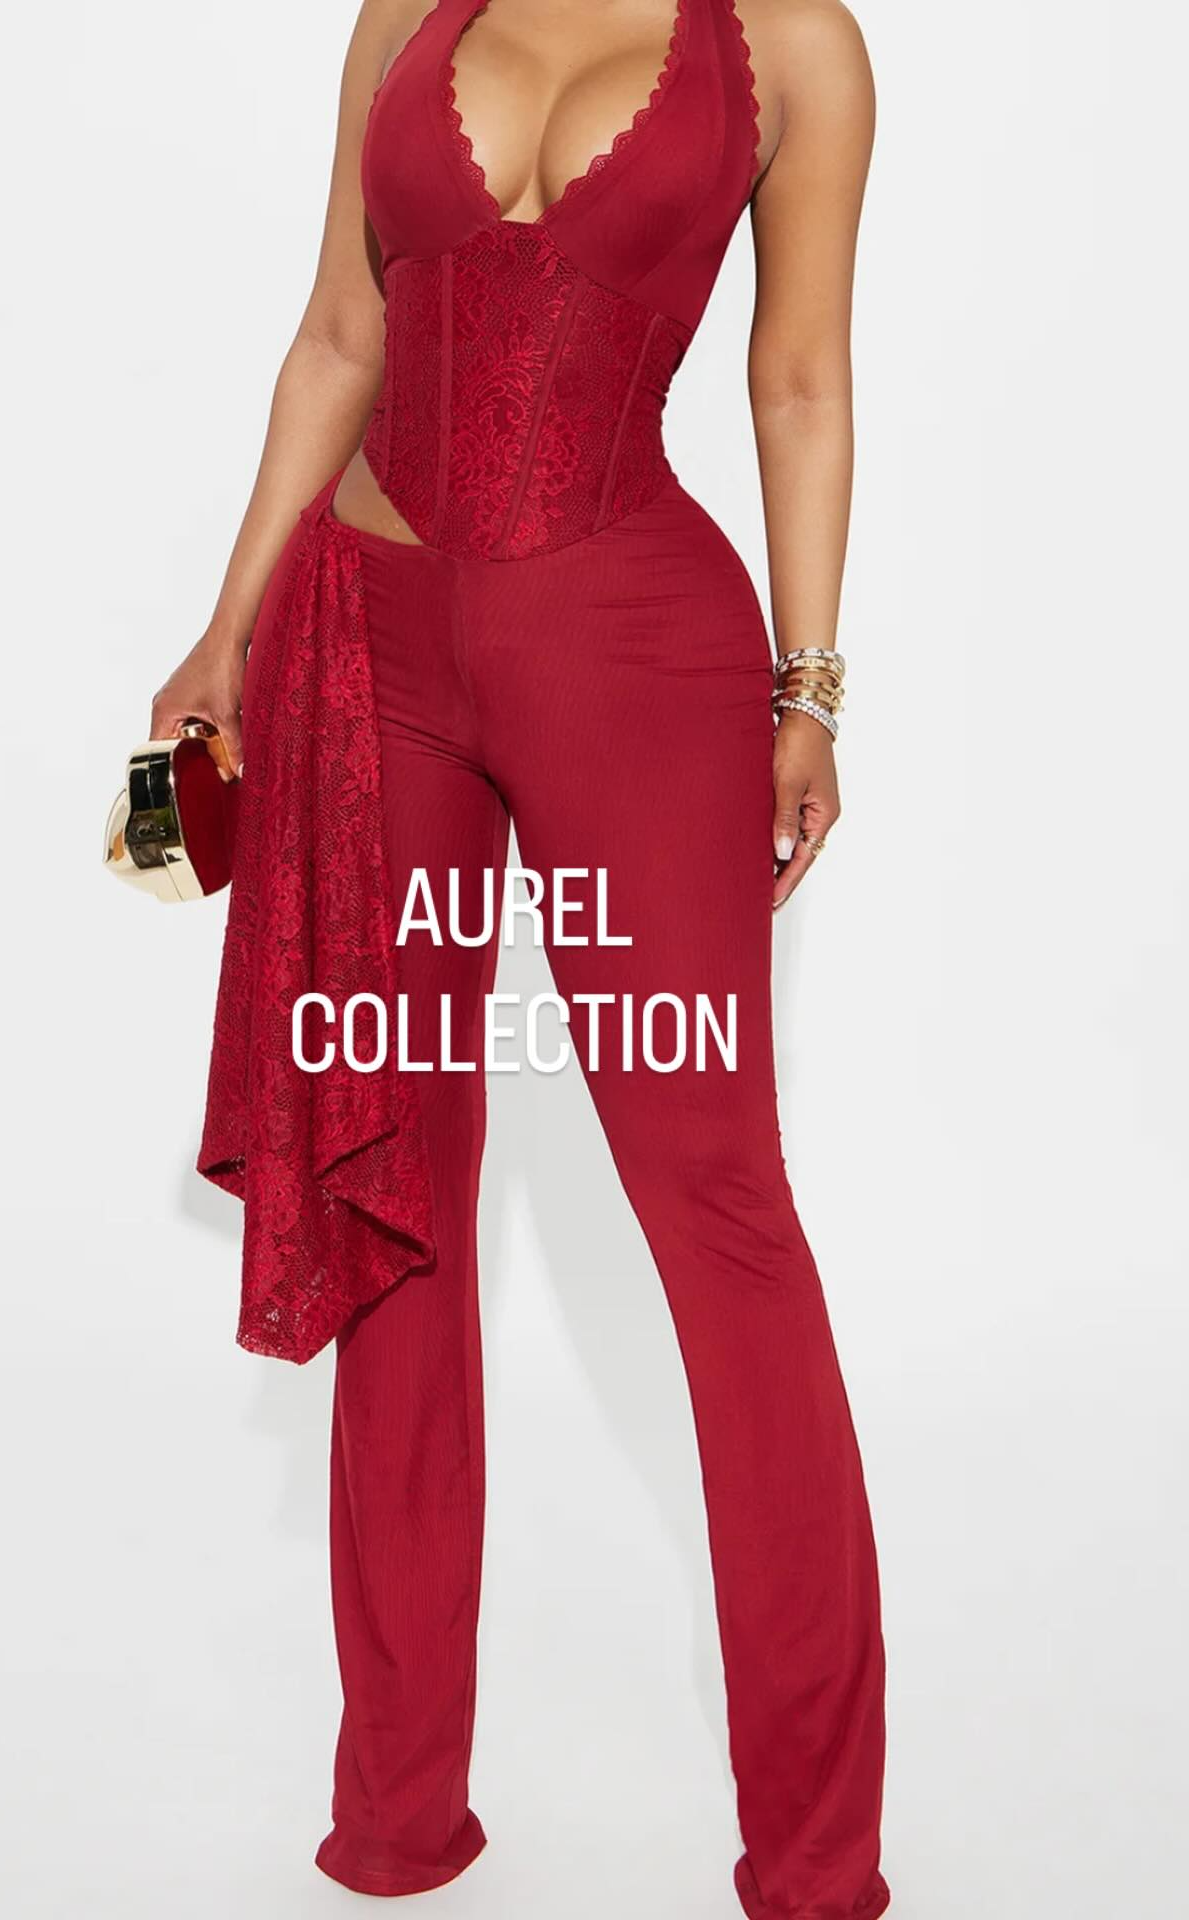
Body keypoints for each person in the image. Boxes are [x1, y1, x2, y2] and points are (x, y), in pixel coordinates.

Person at [151, 3, 886, 1915]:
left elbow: (800, 379)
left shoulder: (793, 45)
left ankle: (816, 1857)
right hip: (369, 644)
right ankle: (399, 1816)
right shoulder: (406, 14)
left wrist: (810, 688)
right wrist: (230, 622)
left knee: (717, 1201)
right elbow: (344, 332)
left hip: (633, 653)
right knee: (392, 1185)